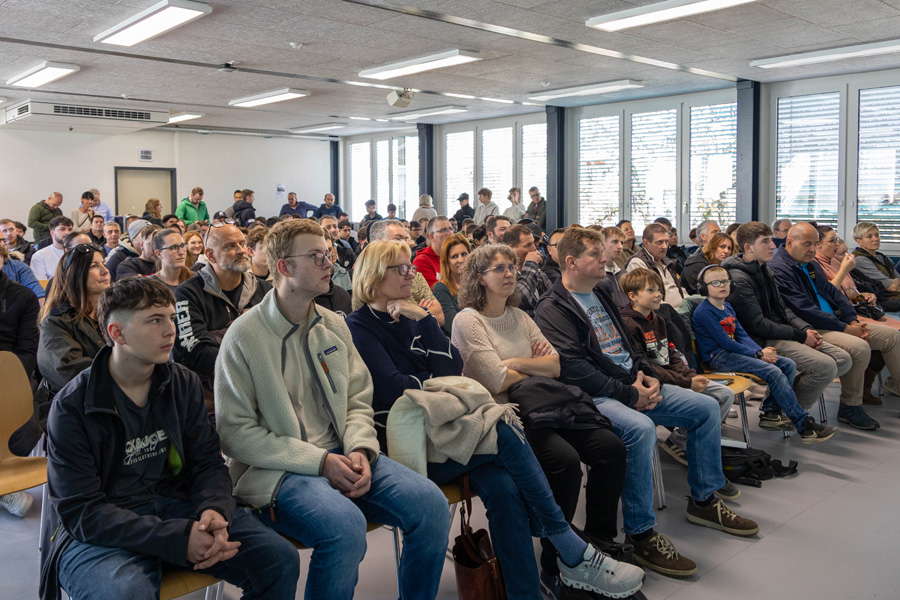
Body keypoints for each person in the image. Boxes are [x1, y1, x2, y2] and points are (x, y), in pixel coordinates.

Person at [346, 239, 645, 599]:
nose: (412, 274)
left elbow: (452, 368)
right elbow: (395, 389)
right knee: (503, 427)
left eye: (411, 266)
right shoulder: (359, 325)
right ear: (376, 276)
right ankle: (570, 548)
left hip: (448, 430)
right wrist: (439, 381)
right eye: (402, 269)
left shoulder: (416, 319)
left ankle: (526, 592)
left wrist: (426, 323)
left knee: (505, 487)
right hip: (410, 441)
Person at [214, 220, 449, 600]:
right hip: (279, 470)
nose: (329, 263)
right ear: (284, 267)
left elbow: (358, 397)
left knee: (432, 506)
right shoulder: (244, 336)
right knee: (344, 527)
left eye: (329, 254)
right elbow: (236, 433)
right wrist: (321, 461)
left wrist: (359, 448)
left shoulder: (333, 326)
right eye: (317, 256)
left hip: (345, 454)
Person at [41, 277, 299, 600]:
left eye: (171, 318)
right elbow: (82, 512)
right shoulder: (72, 406)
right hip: (104, 529)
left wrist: (214, 511)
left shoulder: (183, 383)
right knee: (124, 593)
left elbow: (207, 462)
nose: (170, 330)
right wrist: (177, 538)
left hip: (176, 507)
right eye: (154, 320)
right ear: (116, 333)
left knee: (279, 560)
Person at [535, 227, 759, 578]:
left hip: (634, 382)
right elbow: (574, 369)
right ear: (571, 261)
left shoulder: (603, 292)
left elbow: (627, 346)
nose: (605, 258)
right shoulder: (554, 306)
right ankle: (640, 533)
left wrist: (646, 373)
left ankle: (704, 499)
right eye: (596, 254)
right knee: (640, 429)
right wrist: (629, 392)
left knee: (705, 407)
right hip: (594, 396)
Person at [451, 243, 630, 595]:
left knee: (611, 448)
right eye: (499, 269)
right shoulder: (467, 320)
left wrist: (515, 364)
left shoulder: (519, 316)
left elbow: (556, 365)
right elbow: (494, 381)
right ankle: (556, 563)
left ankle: (597, 541)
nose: (509, 274)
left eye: (511, 267)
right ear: (480, 278)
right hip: (507, 414)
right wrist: (530, 367)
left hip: (547, 404)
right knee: (563, 462)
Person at [770, 222, 900, 430]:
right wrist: (846, 328)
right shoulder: (779, 269)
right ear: (789, 242)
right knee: (859, 347)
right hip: (811, 327)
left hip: (836, 322)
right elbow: (803, 309)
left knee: (892, 336)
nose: (812, 249)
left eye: (815, 244)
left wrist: (853, 320)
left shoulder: (809, 262)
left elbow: (834, 294)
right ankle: (851, 405)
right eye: (807, 244)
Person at [693, 265, 836, 442]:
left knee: (787, 364)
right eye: (715, 282)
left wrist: (760, 351)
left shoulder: (728, 307)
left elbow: (741, 335)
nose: (722, 285)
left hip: (733, 352)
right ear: (703, 287)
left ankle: (770, 411)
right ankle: (803, 424)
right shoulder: (704, 312)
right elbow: (726, 342)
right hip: (719, 357)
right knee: (773, 371)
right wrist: (759, 355)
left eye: (725, 281)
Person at [725, 222, 852, 413]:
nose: (774, 246)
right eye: (766, 242)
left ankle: (780, 404)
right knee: (825, 367)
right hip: (760, 341)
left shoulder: (764, 269)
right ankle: (794, 415)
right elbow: (757, 325)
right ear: (748, 248)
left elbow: (783, 308)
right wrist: (800, 336)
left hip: (780, 332)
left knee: (843, 359)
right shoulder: (738, 278)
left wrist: (805, 329)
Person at [619, 268, 735, 462]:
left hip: (674, 377)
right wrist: (687, 383)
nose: (658, 295)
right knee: (707, 403)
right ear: (633, 296)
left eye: (659, 289)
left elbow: (671, 355)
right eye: (651, 290)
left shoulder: (658, 319)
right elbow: (648, 368)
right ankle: (693, 447)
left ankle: (680, 439)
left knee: (725, 394)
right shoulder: (628, 324)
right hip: (654, 383)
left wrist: (690, 376)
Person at [173, 222, 271, 394]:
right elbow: (195, 351)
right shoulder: (188, 293)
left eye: (242, 243)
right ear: (210, 255)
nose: (241, 250)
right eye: (230, 246)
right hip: (210, 393)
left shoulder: (265, 291)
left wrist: (219, 337)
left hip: (265, 387)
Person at [36, 243, 110, 431]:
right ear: (75, 274)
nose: (104, 271)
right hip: (71, 411)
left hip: (114, 402)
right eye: (94, 266)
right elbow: (70, 373)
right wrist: (130, 373)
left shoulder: (115, 312)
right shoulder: (56, 321)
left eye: (104, 263)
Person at [362, 219, 445, 326]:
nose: (405, 244)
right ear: (379, 243)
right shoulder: (367, 282)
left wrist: (416, 311)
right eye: (398, 239)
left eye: (406, 239)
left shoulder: (416, 276)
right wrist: (422, 313)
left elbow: (440, 317)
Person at [623, 223, 685, 309]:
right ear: (646, 243)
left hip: (680, 311)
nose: (664, 246)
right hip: (664, 315)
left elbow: (678, 290)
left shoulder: (667, 261)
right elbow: (648, 299)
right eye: (659, 242)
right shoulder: (638, 263)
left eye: (666, 242)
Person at [503, 224, 551, 317]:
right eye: (528, 245)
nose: (534, 248)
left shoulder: (537, 272)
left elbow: (553, 296)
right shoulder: (504, 274)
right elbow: (520, 298)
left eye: (534, 243)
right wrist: (531, 263)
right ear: (511, 248)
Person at [850, 221, 900, 302]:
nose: (875, 239)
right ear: (859, 242)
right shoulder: (860, 260)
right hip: (884, 301)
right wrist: (894, 282)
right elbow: (892, 287)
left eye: (877, 235)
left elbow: (897, 280)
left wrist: (895, 282)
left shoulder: (882, 257)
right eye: (869, 236)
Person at [432, 233, 470, 335]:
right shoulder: (441, 288)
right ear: (446, 262)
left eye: (464, 254)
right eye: (454, 256)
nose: (461, 260)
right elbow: (452, 325)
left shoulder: (477, 283)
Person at [413, 216, 453, 288]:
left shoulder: (456, 257)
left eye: (450, 229)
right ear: (431, 237)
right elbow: (436, 293)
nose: (449, 233)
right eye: (443, 230)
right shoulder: (422, 261)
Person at [0, 238, 46, 303]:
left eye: (4, 241)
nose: (2, 244)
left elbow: (34, 287)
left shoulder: (18, 266)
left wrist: (42, 301)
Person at [31, 216, 74, 281]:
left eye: (70, 229)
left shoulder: (78, 252)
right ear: (52, 233)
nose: (67, 232)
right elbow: (41, 285)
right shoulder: (40, 255)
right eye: (62, 229)